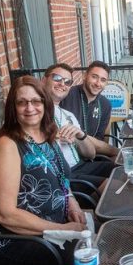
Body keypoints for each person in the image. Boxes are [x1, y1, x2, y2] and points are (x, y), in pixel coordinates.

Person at [0, 76, 86, 265]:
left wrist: (72, 201)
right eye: (22, 103)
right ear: (13, 108)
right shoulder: (7, 144)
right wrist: (62, 229)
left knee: (101, 237)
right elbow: (2, 213)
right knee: (87, 254)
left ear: (45, 104)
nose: (30, 108)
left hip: (52, 228)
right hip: (14, 240)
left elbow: (60, 178)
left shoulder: (46, 134)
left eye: (36, 101)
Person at [42, 63, 114, 192]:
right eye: (57, 78)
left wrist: (80, 135)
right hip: (61, 174)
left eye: (67, 82)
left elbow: (91, 153)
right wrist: (52, 136)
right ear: (44, 80)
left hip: (81, 164)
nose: (62, 84)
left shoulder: (68, 115)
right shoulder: (37, 111)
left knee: (120, 170)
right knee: (113, 186)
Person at [60, 60, 118, 158]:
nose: (98, 83)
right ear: (84, 76)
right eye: (94, 77)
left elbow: (100, 140)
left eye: (103, 80)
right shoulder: (67, 95)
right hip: (68, 154)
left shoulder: (105, 104)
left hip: (92, 155)